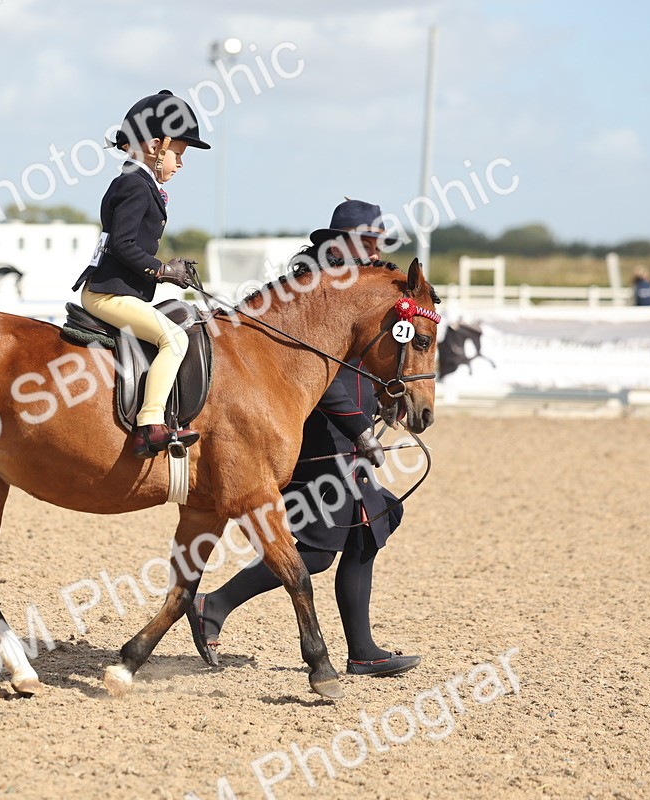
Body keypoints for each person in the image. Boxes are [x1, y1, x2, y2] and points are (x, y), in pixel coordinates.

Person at [186, 199, 421, 677]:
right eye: (369, 243)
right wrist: (359, 428)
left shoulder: (356, 288)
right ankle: (214, 603)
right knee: (318, 545)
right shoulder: (314, 289)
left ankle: (362, 650)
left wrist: (385, 399)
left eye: (379, 244)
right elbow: (317, 373)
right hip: (315, 430)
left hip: (344, 426)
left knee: (363, 530)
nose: (376, 253)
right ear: (345, 242)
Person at [71, 90, 209, 459]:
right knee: (174, 340)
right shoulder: (134, 183)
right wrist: (164, 271)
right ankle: (150, 424)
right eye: (178, 153)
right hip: (107, 294)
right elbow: (123, 244)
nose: (181, 163)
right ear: (154, 146)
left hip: (119, 290)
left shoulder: (140, 181)